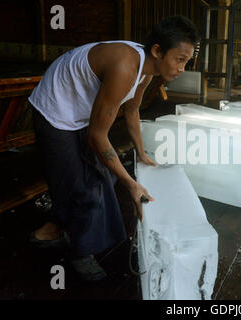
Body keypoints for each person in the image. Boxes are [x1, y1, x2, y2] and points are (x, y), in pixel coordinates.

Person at [28, 16, 200, 281]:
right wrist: (131, 184)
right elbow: (98, 135)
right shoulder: (125, 66)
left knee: (102, 174)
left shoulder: (147, 70)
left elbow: (131, 110)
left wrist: (141, 153)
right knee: (79, 183)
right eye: (179, 59)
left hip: (80, 110)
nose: (182, 68)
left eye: (186, 61)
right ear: (157, 51)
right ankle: (79, 251)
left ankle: (57, 228)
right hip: (54, 110)